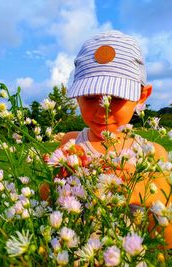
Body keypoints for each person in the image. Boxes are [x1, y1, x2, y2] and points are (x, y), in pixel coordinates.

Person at [58, 30, 172, 248]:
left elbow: (166, 243)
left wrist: (143, 194)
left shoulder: (153, 154)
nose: (103, 110)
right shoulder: (71, 144)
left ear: (142, 96)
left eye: (116, 98)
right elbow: (52, 209)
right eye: (91, 97)